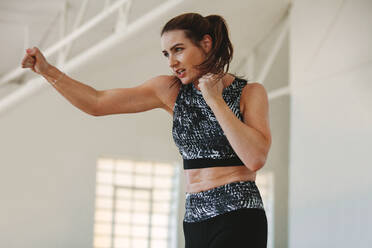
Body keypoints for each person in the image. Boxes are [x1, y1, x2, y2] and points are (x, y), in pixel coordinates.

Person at [22, 12, 271, 248]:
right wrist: (47, 71)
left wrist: (215, 100)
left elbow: (255, 157)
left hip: (239, 213)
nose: (172, 62)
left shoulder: (249, 93)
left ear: (206, 43)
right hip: (195, 220)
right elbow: (97, 103)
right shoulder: (170, 90)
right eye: (166, 54)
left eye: (178, 50)